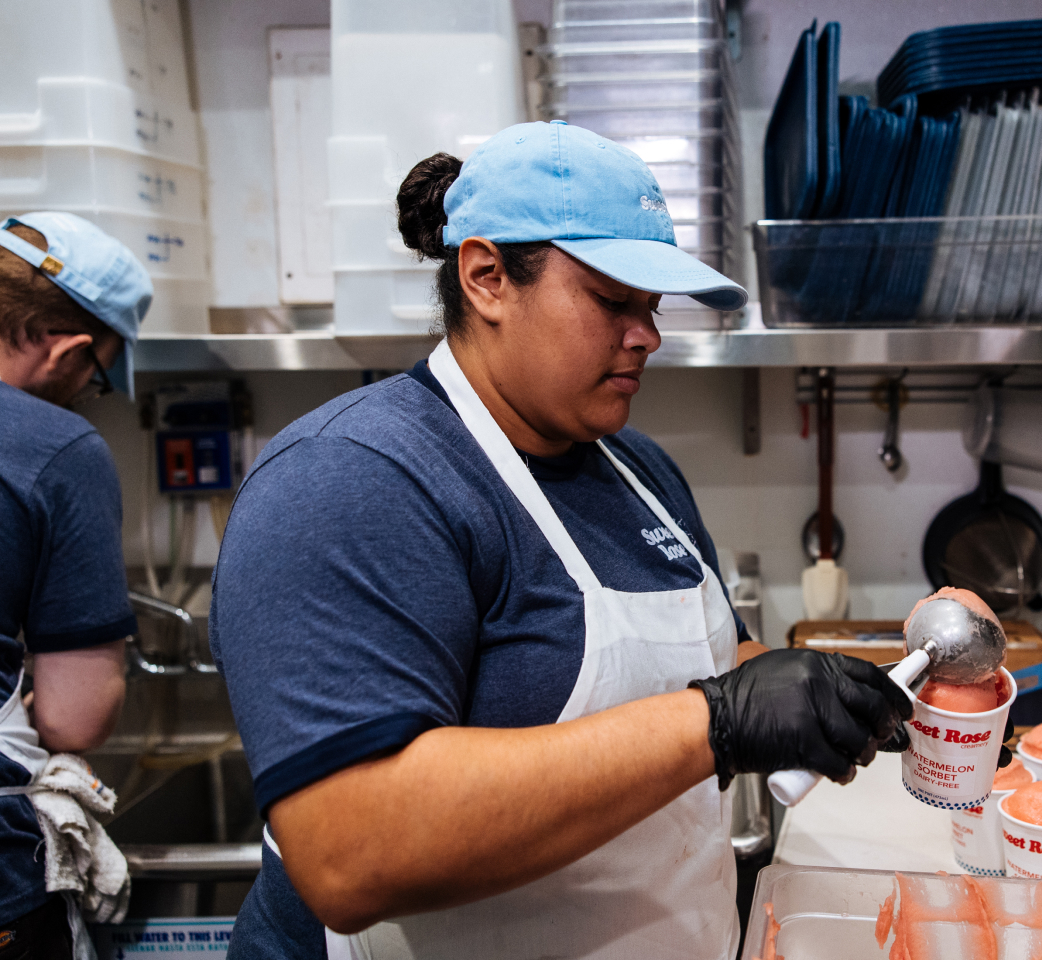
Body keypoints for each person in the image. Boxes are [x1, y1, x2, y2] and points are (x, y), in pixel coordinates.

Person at [210, 120, 913, 960]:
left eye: (652, 307)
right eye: (614, 300)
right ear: (487, 277)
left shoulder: (635, 467)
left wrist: (857, 693)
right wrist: (717, 725)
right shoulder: (350, 481)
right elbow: (351, 852)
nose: (647, 334)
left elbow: (703, 662)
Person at [0, 213, 151, 958]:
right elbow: (77, 717)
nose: (87, 399)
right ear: (69, 350)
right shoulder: (54, 450)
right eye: (96, 382)